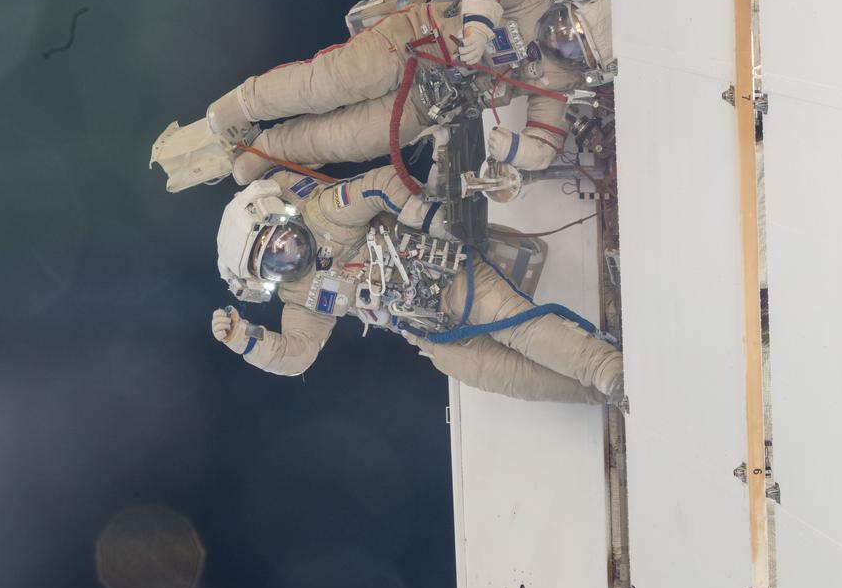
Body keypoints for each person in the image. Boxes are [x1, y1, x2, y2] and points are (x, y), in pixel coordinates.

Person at [152, 0, 614, 191]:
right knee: (331, 83)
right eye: (570, 29)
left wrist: (514, 147)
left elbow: (546, 147)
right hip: (416, 39)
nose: (565, 42)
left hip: (434, 101)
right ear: (571, 3)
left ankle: (269, 148)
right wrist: (478, 20)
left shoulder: (560, 81)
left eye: (577, 48)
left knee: (353, 140)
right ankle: (237, 107)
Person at [209, 164, 624, 406]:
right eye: (275, 261)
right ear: (264, 280)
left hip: (448, 275)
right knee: (494, 374)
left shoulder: (324, 212)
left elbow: (381, 185)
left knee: (514, 324)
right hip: (426, 329)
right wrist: (247, 341)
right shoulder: (302, 302)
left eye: (281, 240)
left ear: (282, 217)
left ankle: (608, 370)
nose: (289, 254)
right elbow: (296, 356)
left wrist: (428, 220)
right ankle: (602, 395)